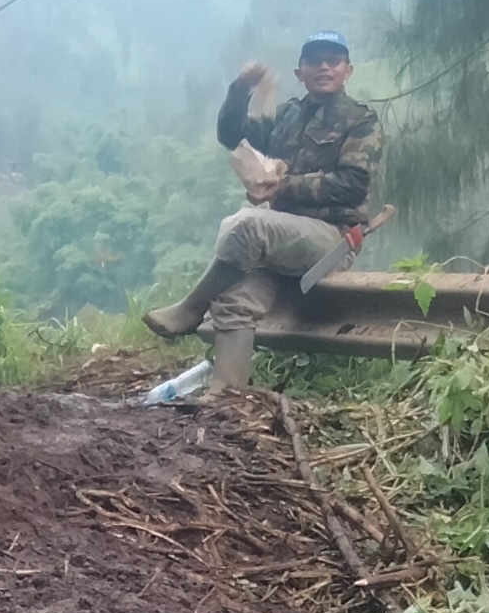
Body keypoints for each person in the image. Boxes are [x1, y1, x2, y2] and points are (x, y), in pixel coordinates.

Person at [147, 30, 384, 389]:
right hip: (281, 243)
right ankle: (225, 400)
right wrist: (241, 88)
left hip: (330, 239)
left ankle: (192, 306)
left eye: (332, 60)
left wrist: (284, 185)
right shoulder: (286, 115)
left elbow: (351, 183)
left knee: (247, 223)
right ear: (299, 72)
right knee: (233, 302)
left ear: (347, 71)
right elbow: (231, 134)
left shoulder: (361, 121)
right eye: (314, 59)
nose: (323, 66)